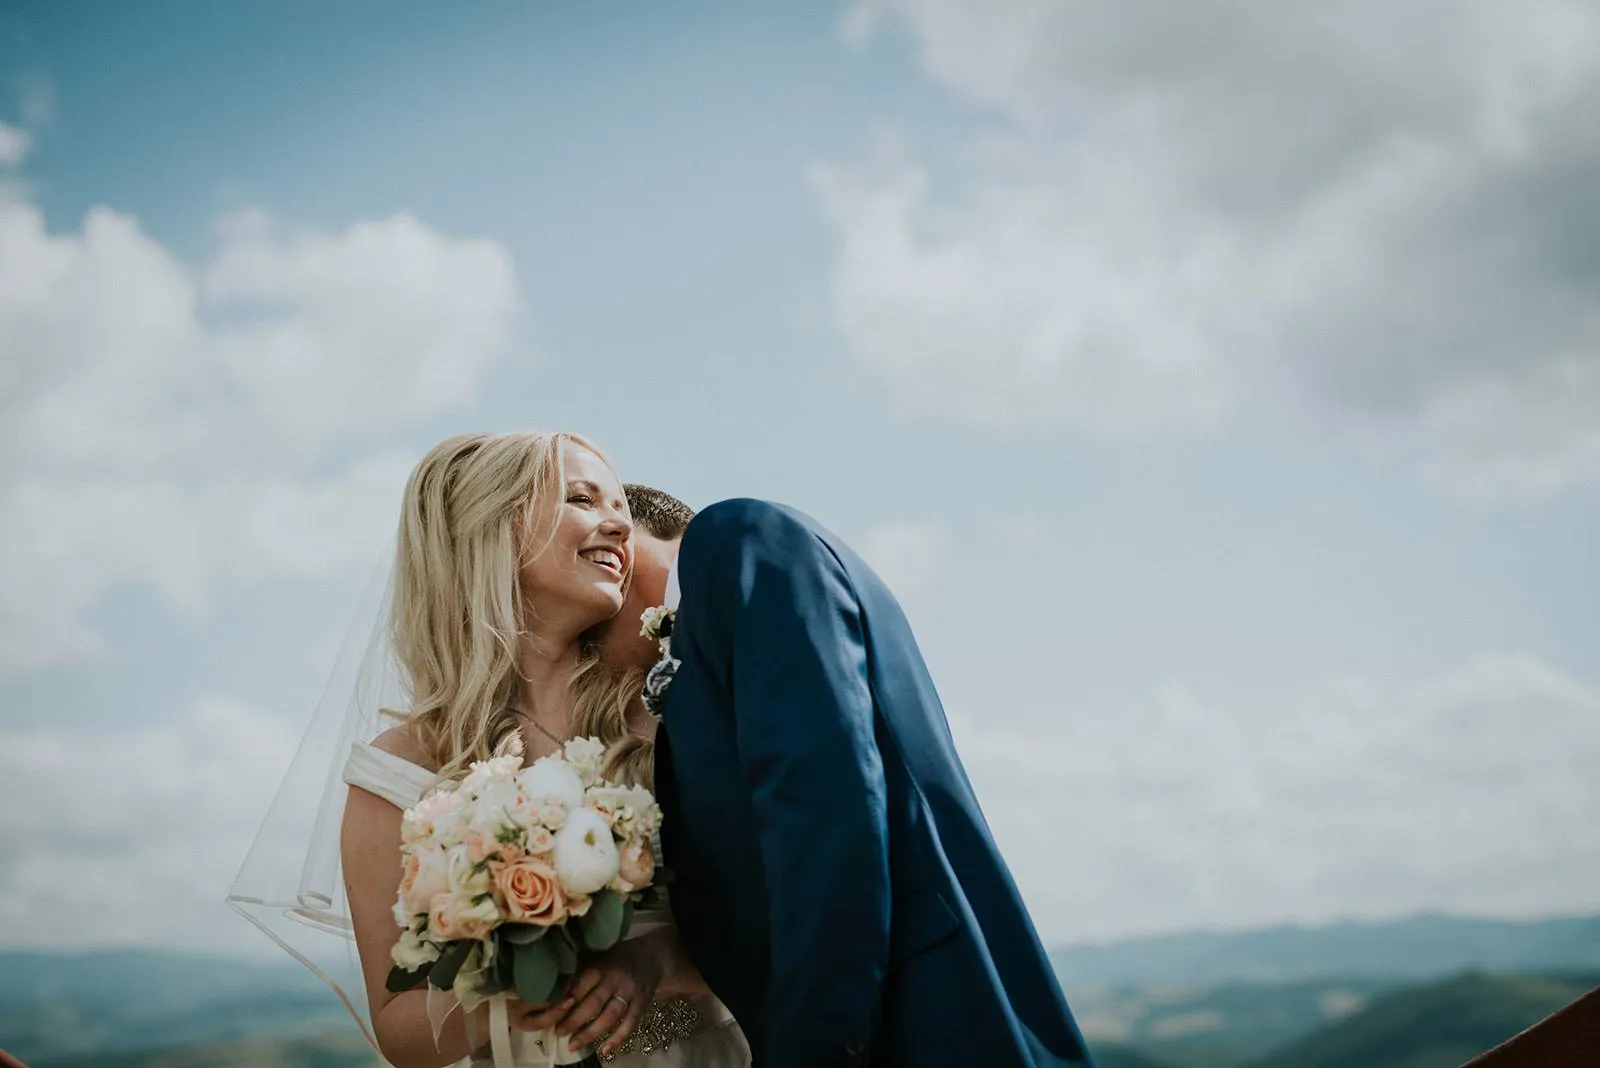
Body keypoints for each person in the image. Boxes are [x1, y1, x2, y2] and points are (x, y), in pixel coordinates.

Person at [232, 432, 748, 1068]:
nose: (620, 523)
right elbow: (398, 1032)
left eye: (618, 504)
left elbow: (780, 921)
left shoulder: (672, 720)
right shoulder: (397, 771)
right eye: (584, 500)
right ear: (487, 529)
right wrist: (508, 986)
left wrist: (655, 959)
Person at [604, 490, 1095, 1068]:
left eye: (584, 638)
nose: (589, 653)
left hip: (912, 1014)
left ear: (623, 543)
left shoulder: (734, 539)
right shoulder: (709, 629)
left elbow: (823, 810)